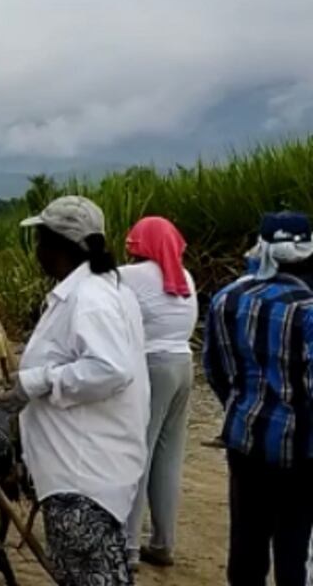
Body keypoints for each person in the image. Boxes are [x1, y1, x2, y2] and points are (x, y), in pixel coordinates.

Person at [0, 196, 149, 586]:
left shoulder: (91, 298)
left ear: (56, 246)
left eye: (40, 241)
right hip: (87, 472)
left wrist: (37, 382)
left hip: (83, 478)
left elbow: (110, 369)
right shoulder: (98, 290)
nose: (36, 252)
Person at [203, 212, 313, 586]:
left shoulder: (227, 299)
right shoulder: (309, 308)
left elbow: (215, 369)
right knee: (294, 547)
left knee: (246, 542)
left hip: (245, 439)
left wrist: (241, 408)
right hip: (302, 449)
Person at [120, 216, 198, 569]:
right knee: (169, 457)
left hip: (152, 366)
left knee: (139, 452)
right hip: (184, 364)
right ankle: (163, 543)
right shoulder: (185, 277)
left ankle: (129, 546)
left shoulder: (131, 276)